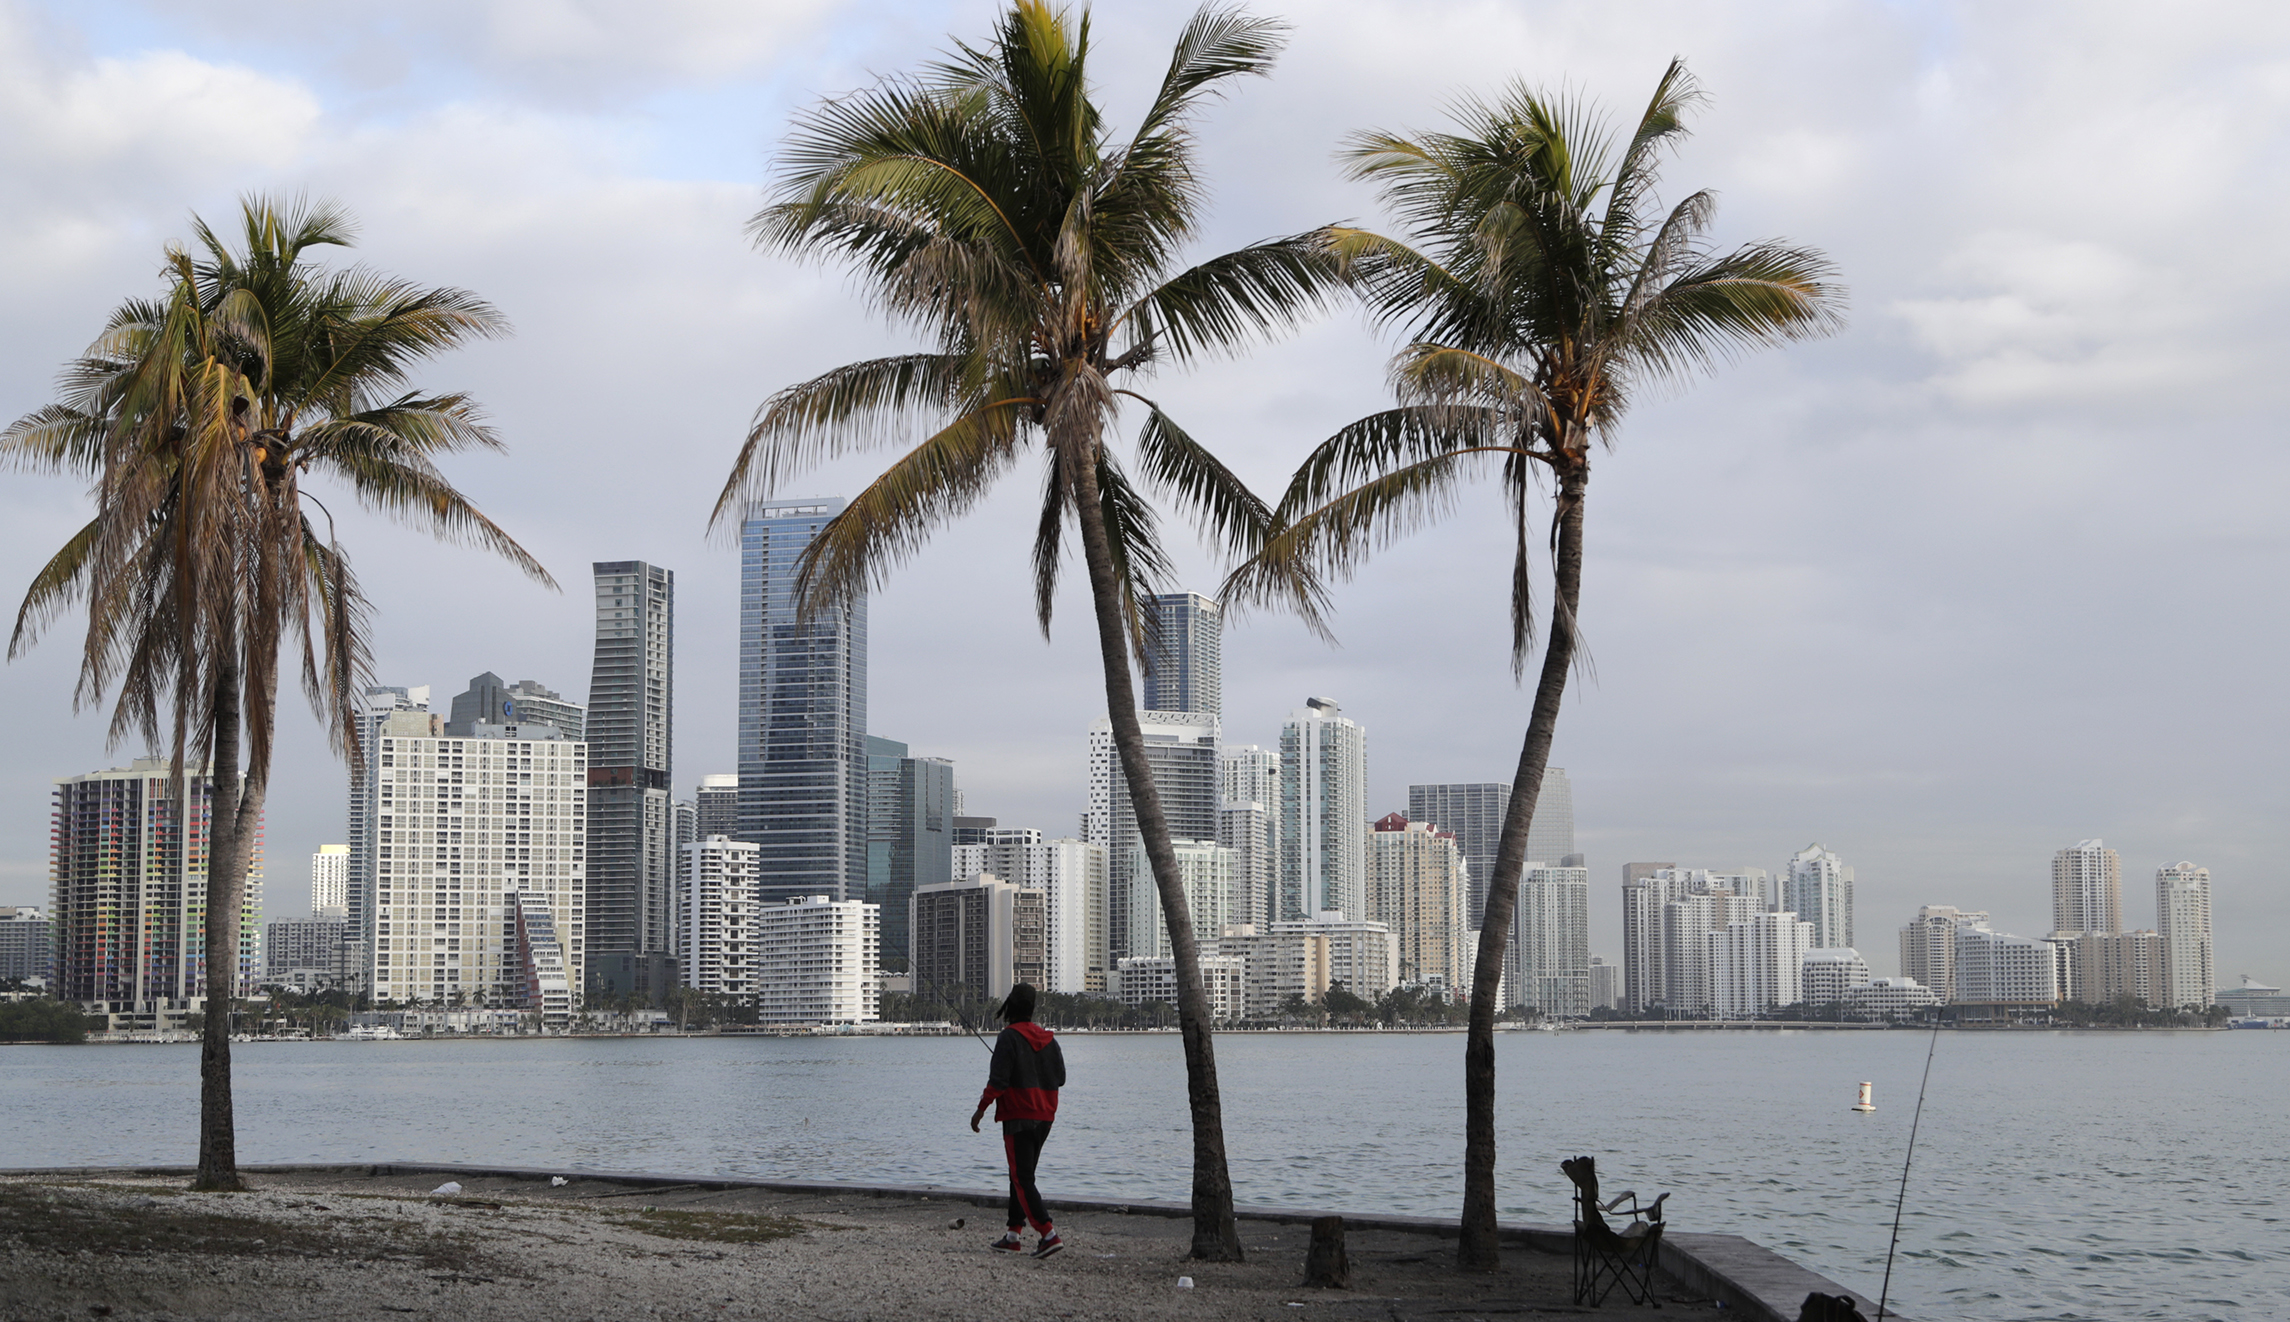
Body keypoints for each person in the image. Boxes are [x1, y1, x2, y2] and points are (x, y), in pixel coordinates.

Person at [970, 982, 1066, 1258]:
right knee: (1021, 1175)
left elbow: (998, 1082)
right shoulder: (1050, 1040)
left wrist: (980, 1110)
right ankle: (1013, 1234)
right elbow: (1060, 1078)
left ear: (1010, 1006)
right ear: (1033, 1009)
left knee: (1022, 1177)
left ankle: (1048, 1234)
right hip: (1046, 1116)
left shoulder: (1008, 1037)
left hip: (1018, 1116)